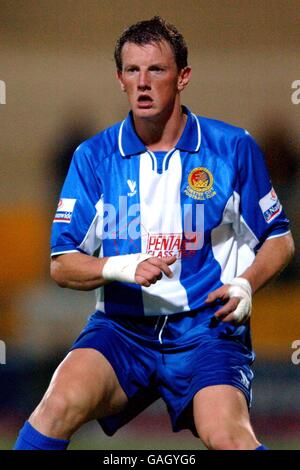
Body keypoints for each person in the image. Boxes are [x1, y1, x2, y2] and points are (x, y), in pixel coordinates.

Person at [14, 16, 294, 451]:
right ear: (120, 79)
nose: (143, 83)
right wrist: (125, 266)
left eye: (156, 70)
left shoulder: (232, 148)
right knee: (55, 406)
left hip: (208, 331)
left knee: (229, 437)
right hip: (121, 329)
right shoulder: (93, 157)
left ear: (183, 77)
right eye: (132, 70)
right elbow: (62, 264)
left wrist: (245, 283)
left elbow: (279, 238)